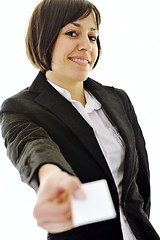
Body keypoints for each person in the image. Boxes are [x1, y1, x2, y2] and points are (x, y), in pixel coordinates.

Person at [0, 0, 159, 239]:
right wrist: (52, 177)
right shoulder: (20, 107)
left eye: (93, 37)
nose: (86, 45)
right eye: (72, 33)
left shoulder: (118, 99)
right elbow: (31, 147)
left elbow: (140, 182)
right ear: (44, 38)